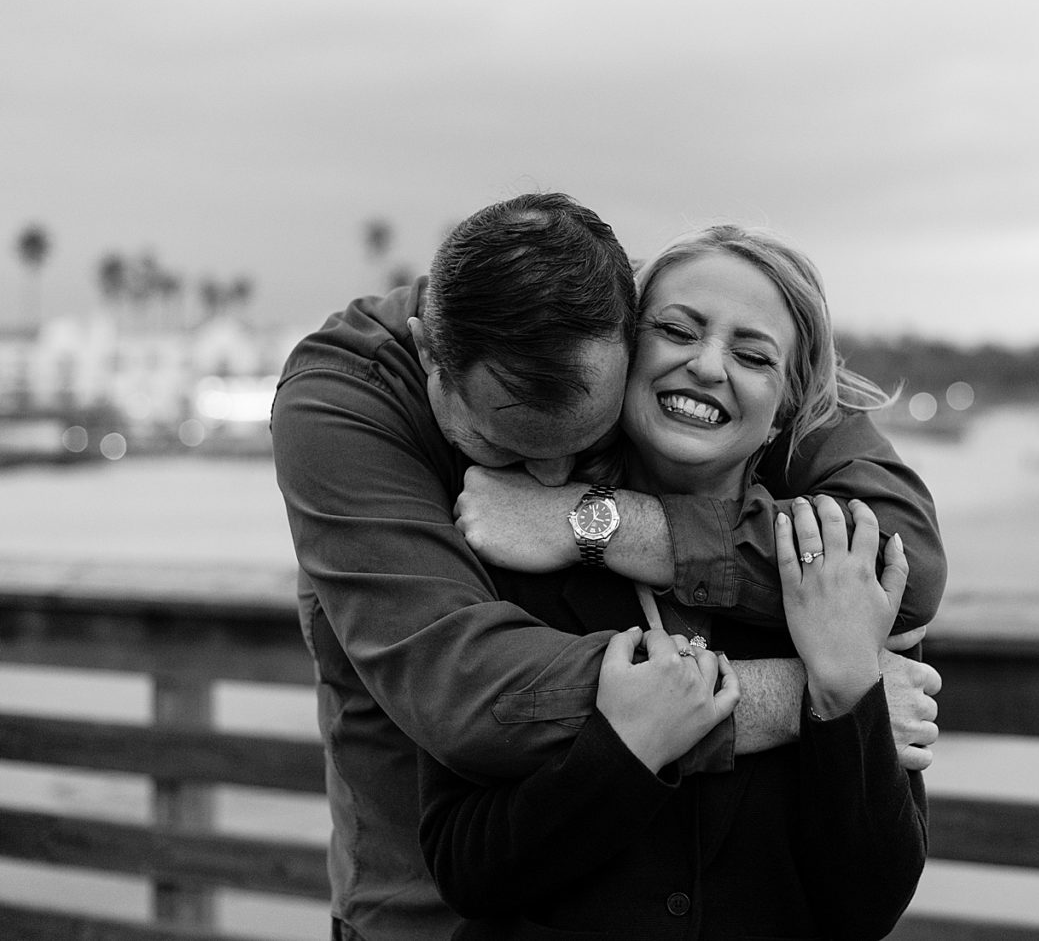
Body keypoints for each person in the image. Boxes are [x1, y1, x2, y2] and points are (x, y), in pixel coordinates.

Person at [269, 194, 946, 941]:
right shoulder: (360, 413)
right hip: (412, 920)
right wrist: (825, 696)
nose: (552, 476)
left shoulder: (827, 571)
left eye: (581, 441)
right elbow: (466, 699)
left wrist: (596, 523)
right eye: (509, 445)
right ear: (432, 354)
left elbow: (905, 566)